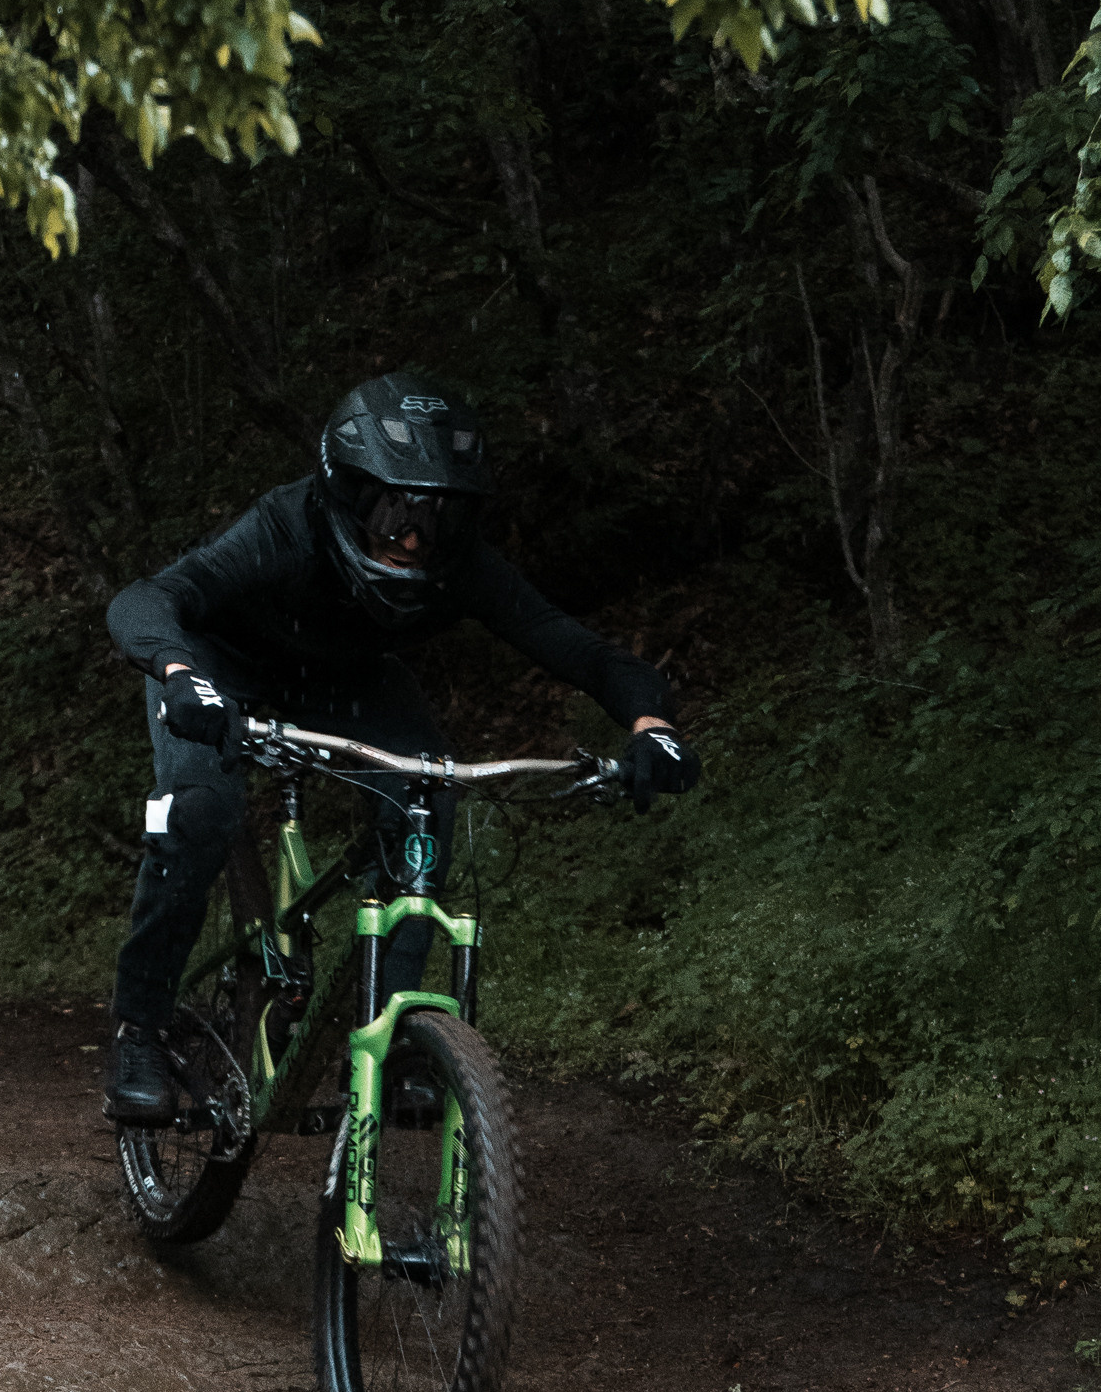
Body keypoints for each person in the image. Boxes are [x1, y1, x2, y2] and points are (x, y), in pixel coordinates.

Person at [101, 369, 697, 1125]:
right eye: (394, 510)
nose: (415, 538)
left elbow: (579, 650)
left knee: (427, 798)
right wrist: (179, 670)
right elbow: (148, 598)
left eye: (440, 518)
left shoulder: (461, 567)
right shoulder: (288, 526)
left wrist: (651, 725)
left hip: (348, 678)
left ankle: (390, 1040)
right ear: (346, 494)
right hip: (219, 666)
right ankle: (141, 1029)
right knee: (199, 811)